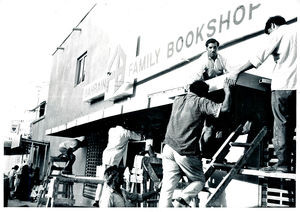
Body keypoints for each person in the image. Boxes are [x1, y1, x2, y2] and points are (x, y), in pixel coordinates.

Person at [228, 16, 296, 173]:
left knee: (281, 124)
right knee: (293, 126)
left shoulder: (278, 33)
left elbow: (258, 58)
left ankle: (283, 165)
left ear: (272, 25)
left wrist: (237, 71)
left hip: (283, 85)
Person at [158, 79, 232, 207]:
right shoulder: (201, 102)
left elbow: (187, 91)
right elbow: (225, 108)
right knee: (198, 181)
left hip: (168, 148)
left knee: (167, 189)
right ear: (203, 94)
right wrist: (228, 91)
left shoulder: (177, 100)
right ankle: (182, 201)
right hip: (184, 151)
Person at [93, 118, 143, 207]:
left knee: (102, 178)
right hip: (113, 159)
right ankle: (103, 202)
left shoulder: (111, 130)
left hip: (106, 155)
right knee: (108, 181)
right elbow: (139, 137)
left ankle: (97, 200)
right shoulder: (126, 133)